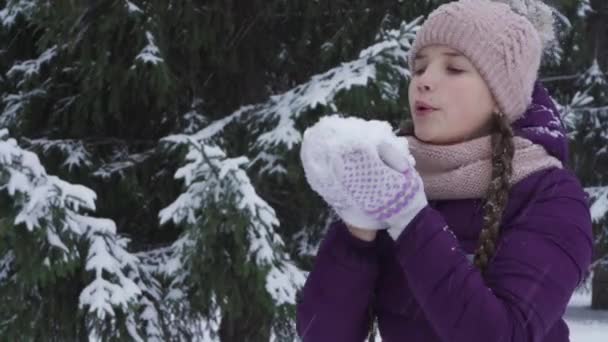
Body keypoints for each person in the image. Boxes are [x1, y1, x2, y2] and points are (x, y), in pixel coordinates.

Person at [296, 0, 593, 341]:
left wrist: (410, 219)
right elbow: (323, 335)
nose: (424, 81)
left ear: (501, 96)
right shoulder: (390, 179)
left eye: (454, 68)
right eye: (419, 68)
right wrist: (355, 228)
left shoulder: (551, 197)